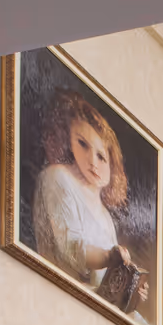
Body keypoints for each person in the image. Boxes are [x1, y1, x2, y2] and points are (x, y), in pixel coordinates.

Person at [32, 89, 133, 297]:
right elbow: (70, 249)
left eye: (101, 156)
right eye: (82, 144)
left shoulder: (105, 217)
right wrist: (108, 257)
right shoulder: (57, 178)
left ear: (113, 163)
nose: (92, 163)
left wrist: (130, 290)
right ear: (69, 140)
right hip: (57, 294)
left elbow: (107, 282)